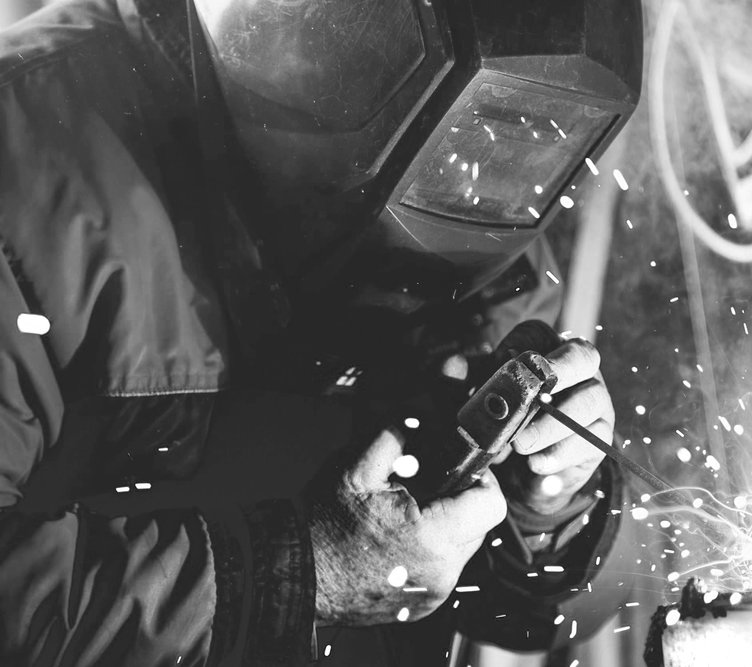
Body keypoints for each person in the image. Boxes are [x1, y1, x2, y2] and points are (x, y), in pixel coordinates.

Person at [0, 0, 645, 665]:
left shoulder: (482, 199)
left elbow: (544, 620)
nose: (480, 167)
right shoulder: (25, 163)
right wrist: (296, 575)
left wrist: (551, 510)